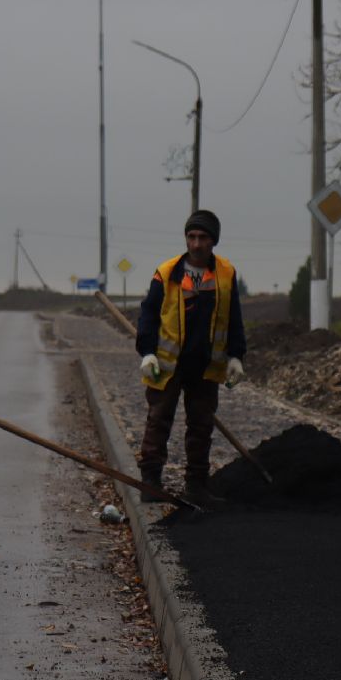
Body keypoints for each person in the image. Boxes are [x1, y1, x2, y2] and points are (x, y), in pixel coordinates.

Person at [134, 209, 246, 507]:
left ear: (213, 241)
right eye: (191, 237)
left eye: (203, 238)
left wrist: (236, 355)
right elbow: (148, 313)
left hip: (206, 366)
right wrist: (146, 352)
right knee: (158, 422)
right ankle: (151, 483)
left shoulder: (226, 274)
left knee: (201, 426)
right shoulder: (167, 272)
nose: (196, 244)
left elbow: (234, 316)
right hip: (167, 365)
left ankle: (196, 486)